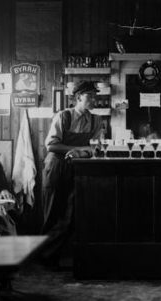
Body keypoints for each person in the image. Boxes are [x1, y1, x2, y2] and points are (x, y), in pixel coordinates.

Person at [40, 80, 102, 262]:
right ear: (78, 97)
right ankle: (45, 258)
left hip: (79, 169)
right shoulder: (63, 116)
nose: (94, 99)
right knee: (52, 213)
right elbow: (51, 145)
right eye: (89, 95)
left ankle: (55, 255)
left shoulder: (96, 120)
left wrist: (80, 152)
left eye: (95, 95)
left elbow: (96, 148)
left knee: (72, 213)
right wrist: (73, 150)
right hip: (56, 167)